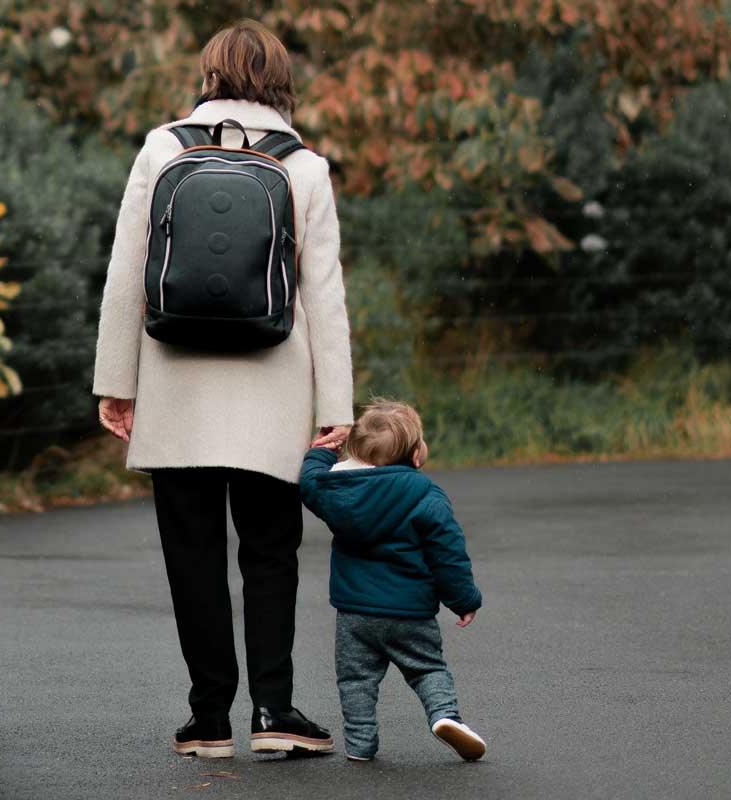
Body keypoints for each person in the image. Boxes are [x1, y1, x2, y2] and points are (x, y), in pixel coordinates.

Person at [92, 19, 354, 758]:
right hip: (275, 388)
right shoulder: (306, 167)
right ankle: (274, 714)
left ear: (209, 75)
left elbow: (125, 273)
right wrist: (334, 406)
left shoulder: (161, 148)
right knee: (271, 552)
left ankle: (208, 720)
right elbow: (323, 295)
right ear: (280, 80)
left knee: (192, 553)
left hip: (174, 382)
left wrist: (117, 382)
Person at [298, 400, 487, 763]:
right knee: (427, 669)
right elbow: (447, 554)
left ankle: (360, 744)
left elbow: (310, 483)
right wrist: (464, 599)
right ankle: (445, 716)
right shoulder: (425, 494)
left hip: (354, 614)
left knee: (355, 681)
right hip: (410, 612)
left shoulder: (338, 491)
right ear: (415, 455)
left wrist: (319, 453)